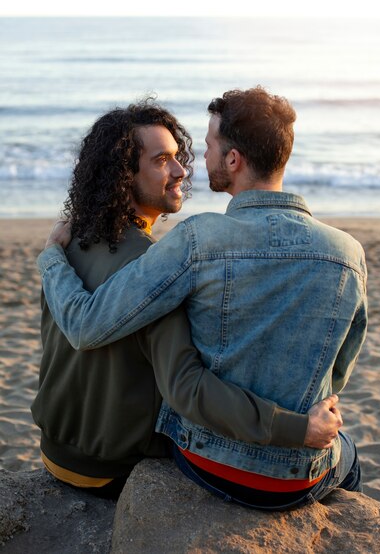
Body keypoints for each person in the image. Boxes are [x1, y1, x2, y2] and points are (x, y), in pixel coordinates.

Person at [32, 99, 341, 500]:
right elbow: (188, 388)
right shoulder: (153, 269)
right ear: (123, 176)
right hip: (112, 466)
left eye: (179, 157)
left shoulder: (66, 246)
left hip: (55, 451)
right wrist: (297, 428)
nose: (181, 170)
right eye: (162, 160)